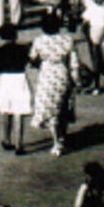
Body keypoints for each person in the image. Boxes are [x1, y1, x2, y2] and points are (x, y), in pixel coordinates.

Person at [29, 10, 80, 156]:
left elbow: (33, 58)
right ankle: (62, 137)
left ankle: (56, 141)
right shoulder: (67, 40)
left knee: (51, 111)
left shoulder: (39, 41)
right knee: (63, 107)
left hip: (47, 75)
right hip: (63, 75)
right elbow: (74, 62)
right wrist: (76, 80)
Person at [0, 24, 32, 154]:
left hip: (6, 80)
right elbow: (29, 62)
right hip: (19, 79)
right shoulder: (23, 49)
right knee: (19, 112)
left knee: (6, 110)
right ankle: (19, 144)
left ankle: (7, 139)